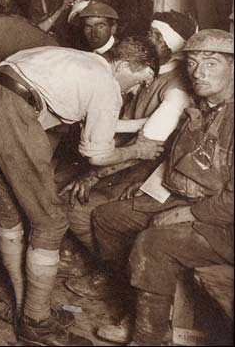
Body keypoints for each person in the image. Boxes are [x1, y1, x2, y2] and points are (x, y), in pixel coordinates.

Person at [0, 37, 160, 346]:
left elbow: (92, 121)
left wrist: (140, 125)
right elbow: (96, 154)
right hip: (12, 111)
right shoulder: (107, 84)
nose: (135, 91)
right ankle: (36, 321)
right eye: (139, 81)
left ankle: (23, 307)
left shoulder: (79, 60)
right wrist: (138, 150)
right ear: (124, 66)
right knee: (51, 221)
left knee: (11, 213)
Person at [92, 29, 233, 346]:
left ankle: (148, 337)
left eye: (211, 63)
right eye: (194, 63)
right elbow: (174, 160)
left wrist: (188, 213)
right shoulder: (201, 106)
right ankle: (140, 307)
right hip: (183, 201)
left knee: (153, 242)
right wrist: (144, 186)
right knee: (107, 218)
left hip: (222, 222)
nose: (199, 72)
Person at [61, 11, 197, 312]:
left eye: (159, 37)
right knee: (67, 197)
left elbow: (150, 146)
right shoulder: (146, 71)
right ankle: (104, 267)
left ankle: (112, 276)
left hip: (143, 172)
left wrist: (95, 176)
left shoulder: (176, 86)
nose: (151, 38)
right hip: (120, 159)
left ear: (175, 46)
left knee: (81, 208)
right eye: (151, 31)